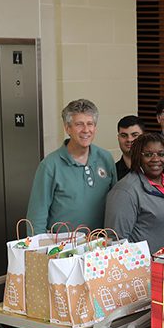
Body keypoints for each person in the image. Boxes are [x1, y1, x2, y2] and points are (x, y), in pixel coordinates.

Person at [26, 99, 117, 232]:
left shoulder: (106, 158)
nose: (86, 130)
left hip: (99, 245)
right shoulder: (50, 166)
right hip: (63, 248)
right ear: (67, 128)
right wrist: (36, 250)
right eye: (79, 124)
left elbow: (115, 204)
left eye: (90, 124)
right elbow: (36, 216)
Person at [104, 133, 164, 254]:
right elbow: (115, 242)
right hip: (148, 267)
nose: (155, 159)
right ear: (138, 157)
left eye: (160, 154)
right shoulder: (125, 191)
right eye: (148, 155)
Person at [115, 115, 145, 180]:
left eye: (135, 135)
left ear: (144, 137)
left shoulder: (156, 169)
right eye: (124, 135)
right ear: (118, 138)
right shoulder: (112, 172)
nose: (129, 139)